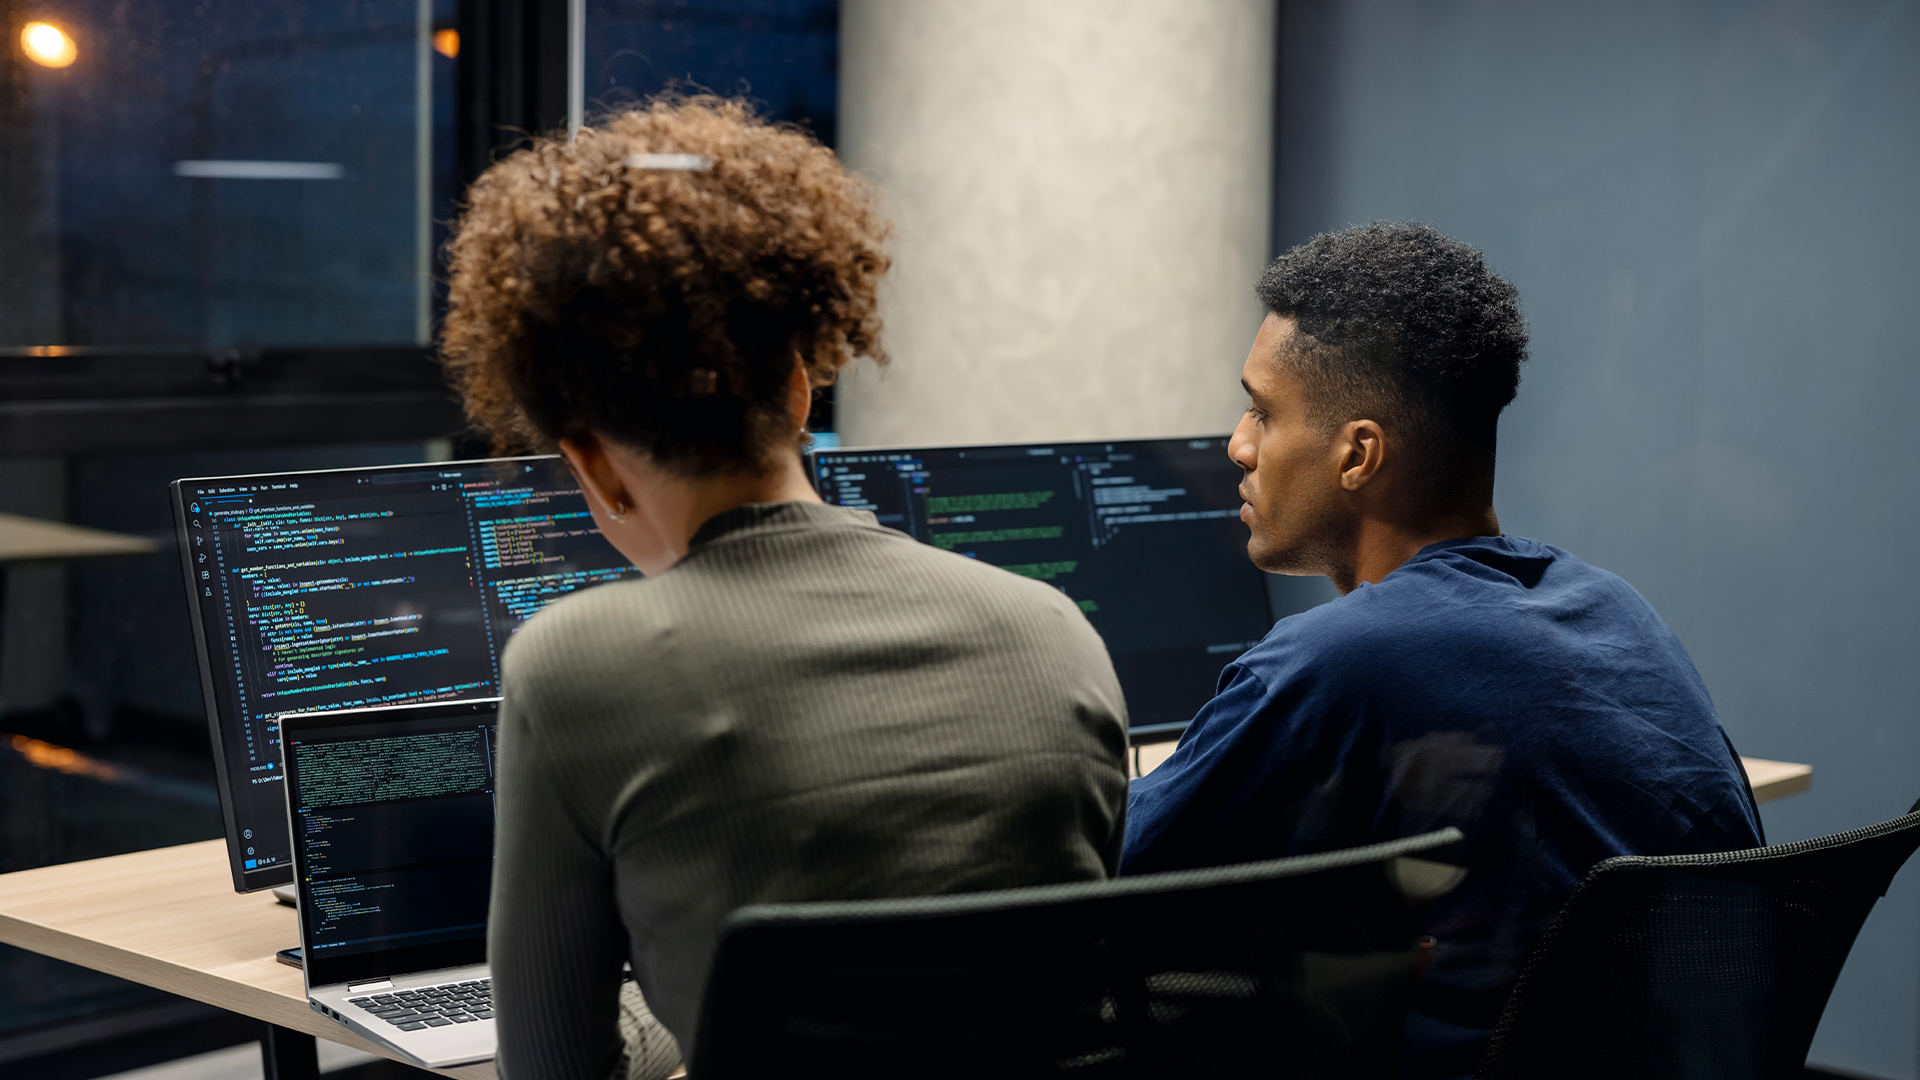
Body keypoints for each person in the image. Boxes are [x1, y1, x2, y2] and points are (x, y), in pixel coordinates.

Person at [441, 98, 1130, 1080]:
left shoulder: (573, 667)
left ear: (589, 462)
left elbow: (552, 1067)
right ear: (803, 390)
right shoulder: (1048, 628)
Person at [1122, 222, 1763, 1080]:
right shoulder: (1617, 608)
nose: (1237, 446)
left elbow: (1097, 876)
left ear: (1358, 455)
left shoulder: (1334, 662)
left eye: (1262, 412)